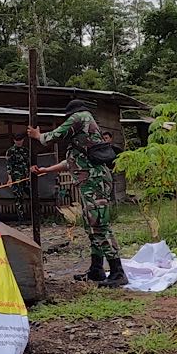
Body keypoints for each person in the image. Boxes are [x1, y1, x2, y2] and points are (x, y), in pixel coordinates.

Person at [27, 99, 128, 287]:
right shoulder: (81, 140)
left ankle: (117, 272)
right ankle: (96, 270)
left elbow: (56, 134)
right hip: (89, 182)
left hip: (94, 182)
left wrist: (38, 136)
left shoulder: (81, 117)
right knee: (91, 227)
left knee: (99, 225)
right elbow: (72, 163)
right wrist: (46, 170)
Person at [5, 132, 30, 222]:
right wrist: (10, 178)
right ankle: (21, 218)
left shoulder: (26, 151)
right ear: (14, 141)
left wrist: (30, 174)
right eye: (17, 140)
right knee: (19, 198)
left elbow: (29, 164)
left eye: (20, 140)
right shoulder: (10, 151)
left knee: (32, 194)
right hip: (16, 178)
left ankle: (36, 215)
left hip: (26, 177)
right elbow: (9, 166)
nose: (19, 142)